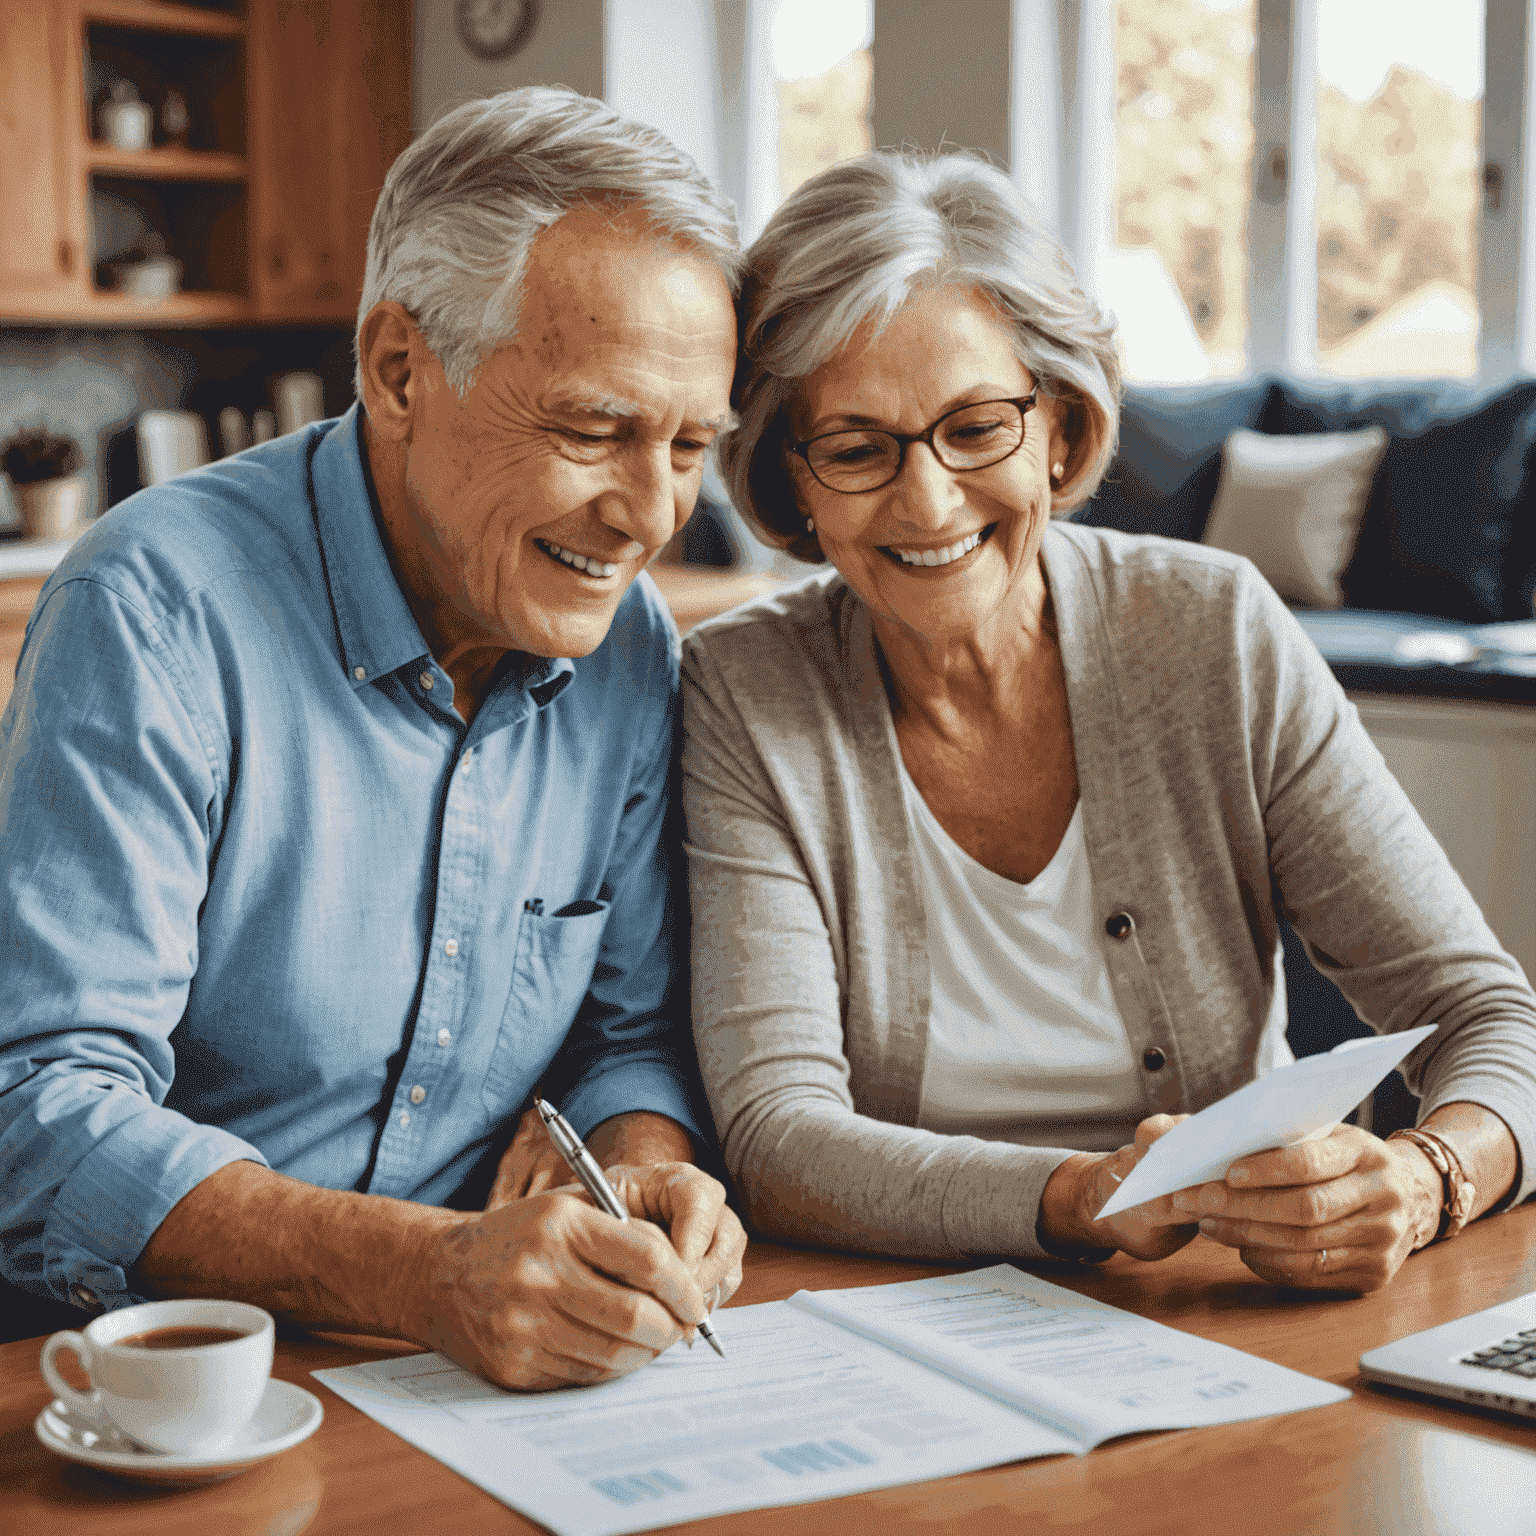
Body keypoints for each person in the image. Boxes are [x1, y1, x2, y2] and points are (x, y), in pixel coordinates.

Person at [682, 150, 1536, 1295]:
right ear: (791, 482)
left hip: (1233, 1311)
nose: (928, 499)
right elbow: (777, 1137)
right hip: (893, 1318)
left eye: (977, 426)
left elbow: (1486, 1015)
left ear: (1061, 426)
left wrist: (1430, 1176)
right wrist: (1079, 1198)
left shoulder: (1212, 631)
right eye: (856, 447)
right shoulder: (740, 693)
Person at [0, 86, 746, 1387]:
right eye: (594, 429)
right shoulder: (154, 609)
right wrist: (422, 1272)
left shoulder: (629, 652)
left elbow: (626, 1039)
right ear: (400, 368)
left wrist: (644, 1168)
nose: (649, 513)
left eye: (691, 446)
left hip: (484, 1377)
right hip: (148, 1375)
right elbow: (41, 1107)